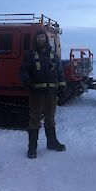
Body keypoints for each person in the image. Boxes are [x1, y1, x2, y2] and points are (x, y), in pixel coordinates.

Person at [20, 30, 66, 159]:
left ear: (46, 39)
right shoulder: (29, 55)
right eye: (38, 37)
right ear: (35, 39)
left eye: (42, 36)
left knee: (50, 119)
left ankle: (52, 143)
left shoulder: (53, 55)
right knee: (34, 120)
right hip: (36, 94)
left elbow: (60, 72)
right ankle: (32, 148)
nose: (41, 39)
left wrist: (62, 87)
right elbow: (23, 71)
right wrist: (26, 81)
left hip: (51, 94)